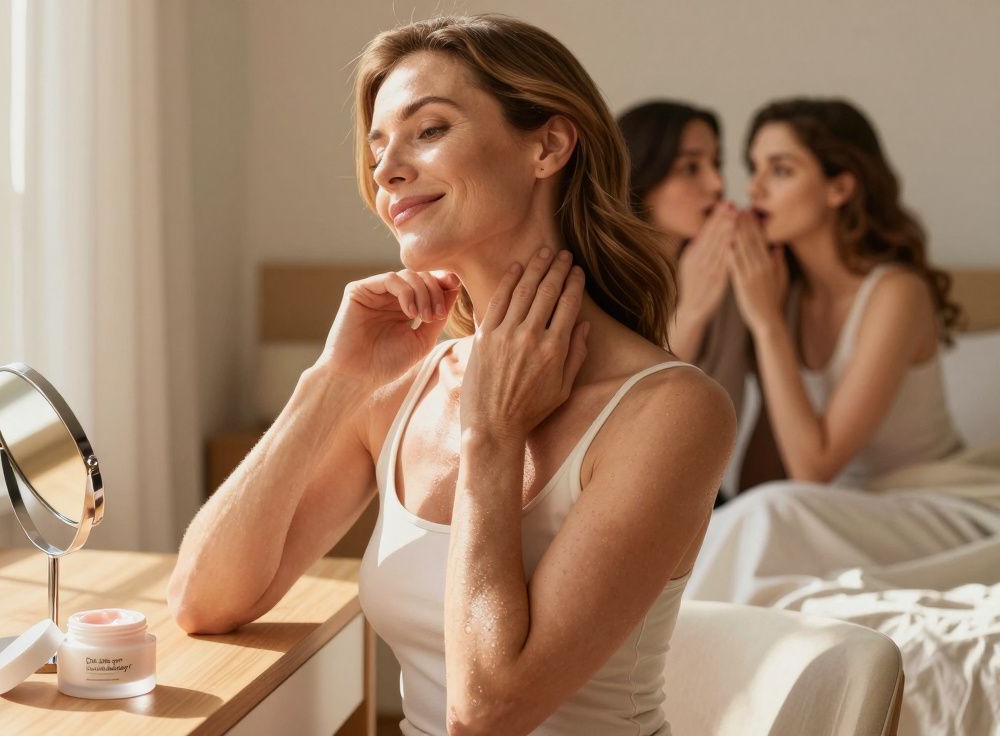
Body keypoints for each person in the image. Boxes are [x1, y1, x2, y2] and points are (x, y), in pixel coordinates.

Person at [168, 15, 734, 735]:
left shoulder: (671, 411)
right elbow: (202, 600)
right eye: (378, 145)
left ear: (548, 145)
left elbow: (489, 714)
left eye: (428, 130)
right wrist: (332, 380)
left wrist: (492, 436)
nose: (386, 169)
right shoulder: (399, 386)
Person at [687, 98, 978, 605]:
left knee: (768, 515)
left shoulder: (896, 294)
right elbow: (765, 478)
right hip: (841, 511)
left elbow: (812, 470)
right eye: (754, 169)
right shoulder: (785, 297)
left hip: (935, 505)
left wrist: (768, 325)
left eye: (781, 170)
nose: (754, 189)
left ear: (839, 188)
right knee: (760, 511)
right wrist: (768, 324)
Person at [619, 100, 786, 499]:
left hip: (706, 501)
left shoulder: (737, 279)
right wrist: (691, 311)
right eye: (691, 167)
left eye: (716, 163)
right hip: (618, 493)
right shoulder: (591, 283)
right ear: (640, 176)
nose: (717, 184)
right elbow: (623, 430)